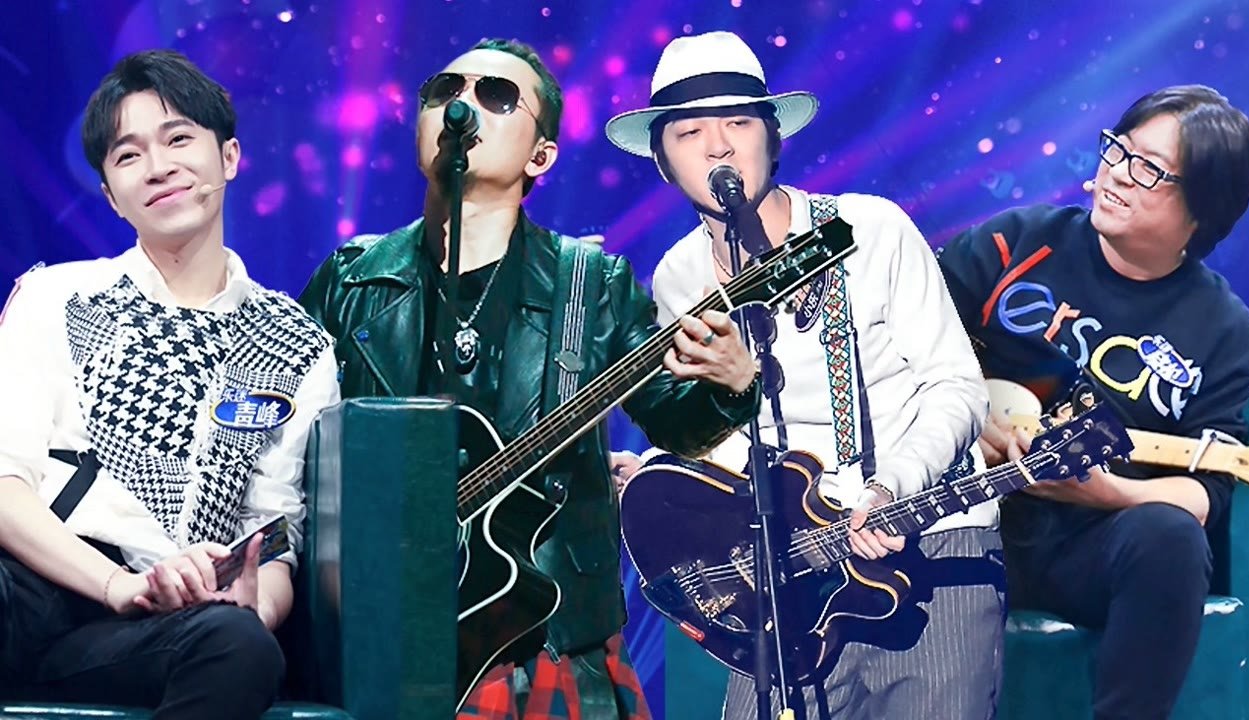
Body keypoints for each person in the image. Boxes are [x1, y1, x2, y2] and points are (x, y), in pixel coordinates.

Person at [299, 38, 760, 720]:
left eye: (496, 96)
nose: (462, 106)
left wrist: (733, 384)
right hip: (377, 626)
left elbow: (677, 423)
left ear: (541, 155)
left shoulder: (590, 284)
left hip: (541, 631)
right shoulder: (353, 279)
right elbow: (292, 445)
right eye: (446, 91)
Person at [606, 30, 1002, 720]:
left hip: (929, 536)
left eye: (738, 123)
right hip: (788, 572)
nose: (718, 146)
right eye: (690, 132)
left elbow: (956, 387)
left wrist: (891, 485)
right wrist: (667, 473)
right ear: (663, 163)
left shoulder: (868, 229)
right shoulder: (678, 277)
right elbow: (722, 439)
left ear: (774, 138)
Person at [0, 50, 340, 719]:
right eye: (128, 156)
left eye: (179, 139)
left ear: (229, 157)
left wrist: (254, 604)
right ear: (110, 194)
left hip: (152, 620)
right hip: (32, 580)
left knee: (241, 645)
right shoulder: (57, 297)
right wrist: (113, 583)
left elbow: (275, 534)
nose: (158, 167)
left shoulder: (296, 342)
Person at [936, 84, 1249, 720]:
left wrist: (1110, 494)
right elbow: (902, 349)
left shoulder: (1221, 328)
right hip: (964, 516)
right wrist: (969, 423)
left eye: (1149, 169)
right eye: (1119, 149)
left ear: (1203, 209)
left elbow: (1210, 491)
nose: (1116, 173)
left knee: (1170, 536)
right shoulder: (1014, 242)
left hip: (1087, 543)